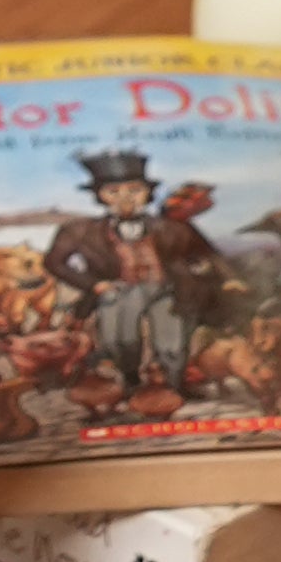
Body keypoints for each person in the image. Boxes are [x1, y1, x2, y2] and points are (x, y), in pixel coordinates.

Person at [40, 147, 235, 408]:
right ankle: (130, 384)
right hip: (117, 291)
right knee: (120, 341)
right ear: (100, 196)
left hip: (166, 289)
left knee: (172, 342)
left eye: (134, 190)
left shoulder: (172, 227)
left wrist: (226, 278)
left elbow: (209, 254)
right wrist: (94, 285)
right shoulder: (80, 231)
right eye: (114, 192)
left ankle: (175, 386)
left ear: (147, 193)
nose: (125, 198)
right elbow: (54, 262)